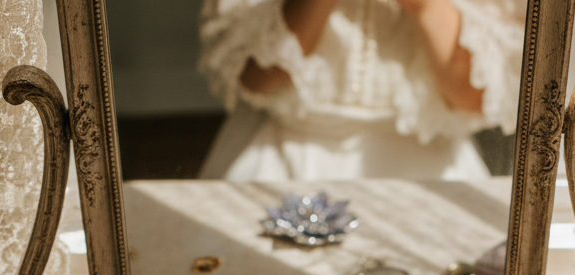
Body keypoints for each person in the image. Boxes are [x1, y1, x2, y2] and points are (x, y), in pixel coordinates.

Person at [196, 0, 525, 180]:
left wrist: (425, 6)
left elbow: (475, 96)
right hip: (285, 156)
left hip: (429, 168)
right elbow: (255, 77)